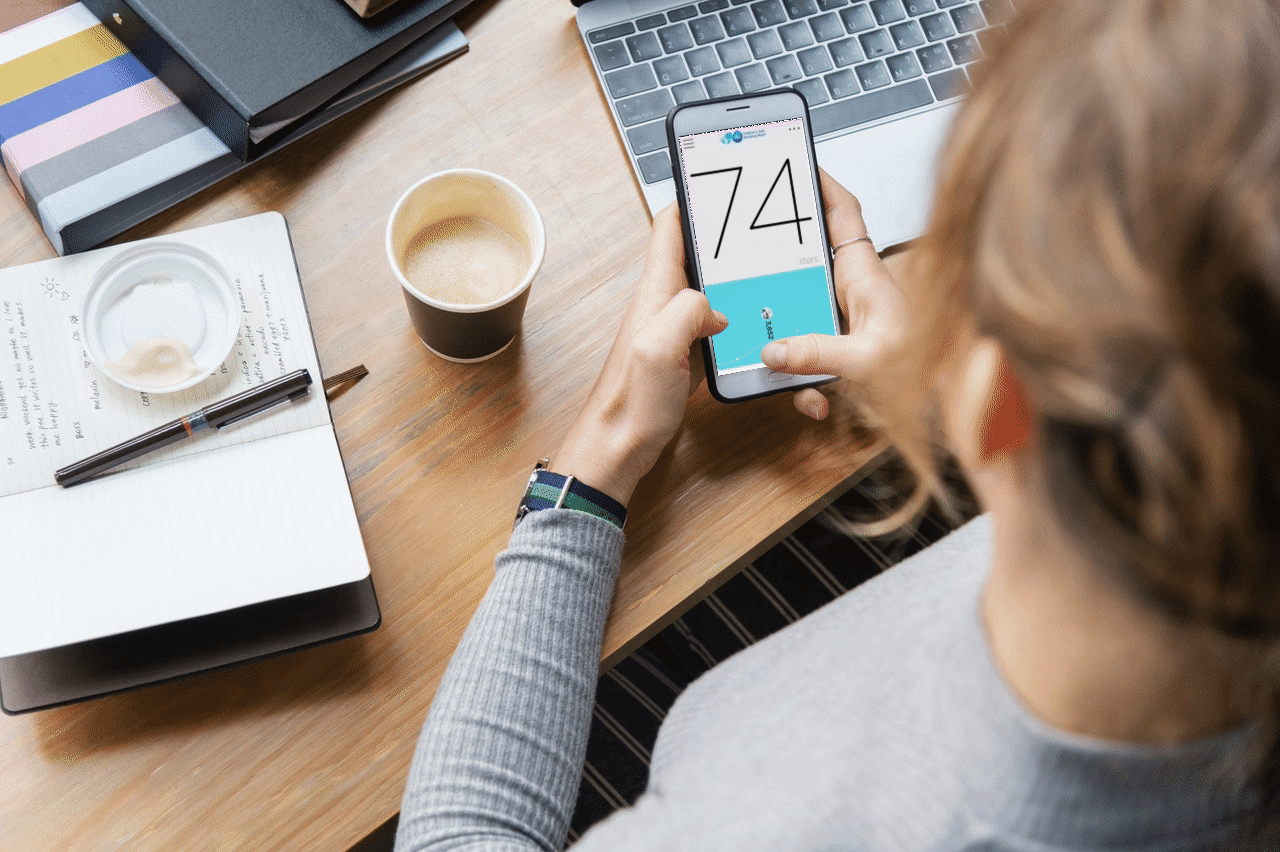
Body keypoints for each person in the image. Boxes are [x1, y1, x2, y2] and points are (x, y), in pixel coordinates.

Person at [395, 0, 1280, 848]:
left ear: (1003, 385)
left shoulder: (787, 826)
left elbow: (454, 839)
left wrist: (602, 452)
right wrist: (937, 396)